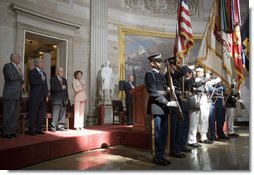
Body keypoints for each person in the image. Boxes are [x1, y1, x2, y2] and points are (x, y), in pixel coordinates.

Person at [145, 53, 177, 166]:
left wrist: (169, 90)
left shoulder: (161, 76)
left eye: (160, 61)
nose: (160, 63)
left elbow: (163, 91)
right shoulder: (150, 75)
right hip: (157, 107)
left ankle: (161, 155)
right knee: (157, 133)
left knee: (164, 134)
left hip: (164, 108)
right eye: (157, 61)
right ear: (152, 63)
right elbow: (153, 93)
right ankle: (156, 157)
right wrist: (166, 102)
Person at [2, 53, 24, 138]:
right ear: (13, 58)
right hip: (10, 94)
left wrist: (22, 83)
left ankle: (12, 131)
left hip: (18, 95)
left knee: (15, 115)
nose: (20, 58)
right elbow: (11, 77)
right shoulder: (7, 66)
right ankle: (6, 133)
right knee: (8, 115)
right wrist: (19, 75)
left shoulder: (18, 68)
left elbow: (19, 80)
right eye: (18, 57)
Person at [28, 58, 48, 135]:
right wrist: (41, 79)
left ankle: (38, 129)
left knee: (41, 114)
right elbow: (32, 83)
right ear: (36, 63)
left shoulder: (44, 73)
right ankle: (30, 130)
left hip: (42, 96)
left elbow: (45, 85)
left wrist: (46, 95)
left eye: (42, 61)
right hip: (35, 96)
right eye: (40, 62)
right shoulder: (31, 72)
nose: (42, 63)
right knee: (33, 113)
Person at [207, 77, 230, 141]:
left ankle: (220, 134)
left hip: (220, 100)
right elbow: (210, 89)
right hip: (212, 101)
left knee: (221, 119)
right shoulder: (210, 82)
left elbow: (226, 92)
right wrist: (217, 84)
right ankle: (212, 135)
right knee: (212, 119)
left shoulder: (222, 84)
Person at [50, 67, 69, 132]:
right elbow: (53, 88)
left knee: (62, 114)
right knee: (55, 114)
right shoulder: (53, 79)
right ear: (57, 72)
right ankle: (53, 127)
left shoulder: (64, 80)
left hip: (63, 99)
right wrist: (61, 87)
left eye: (62, 71)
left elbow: (66, 90)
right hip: (56, 100)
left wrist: (67, 98)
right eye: (60, 71)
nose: (62, 72)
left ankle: (61, 126)